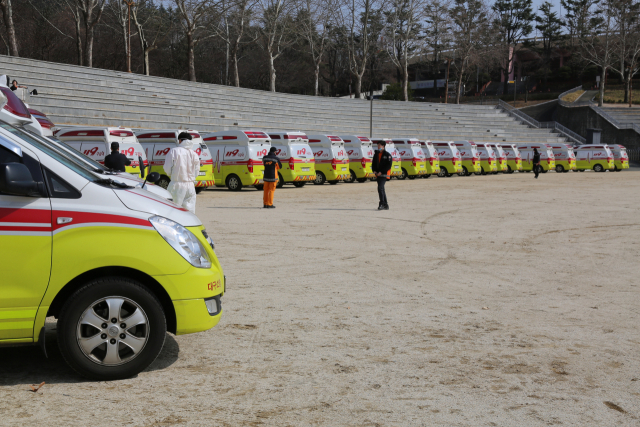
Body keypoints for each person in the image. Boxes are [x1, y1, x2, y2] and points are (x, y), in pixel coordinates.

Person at [164, 132, 200, 213]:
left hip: (177, 184)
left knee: (173, 210)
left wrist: (172, 176)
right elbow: (197, 171)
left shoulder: (174, 151)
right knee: (189, 212)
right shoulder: (194, 153)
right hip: (190, 186)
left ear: (180, 140)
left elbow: (167, 168)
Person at [371, 140, 392, 210]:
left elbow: (389, 165)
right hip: (378, 175)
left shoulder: (387, 155)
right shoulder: (376, 154)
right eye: (378, 145)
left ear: (383, 146)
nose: (378, 146)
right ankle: (386, 205)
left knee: (380, 188)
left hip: (384, 174)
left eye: (379, 145)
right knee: (381, 189)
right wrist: (374, 170)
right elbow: (373, 164)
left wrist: (381, 172)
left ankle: (382, 204)